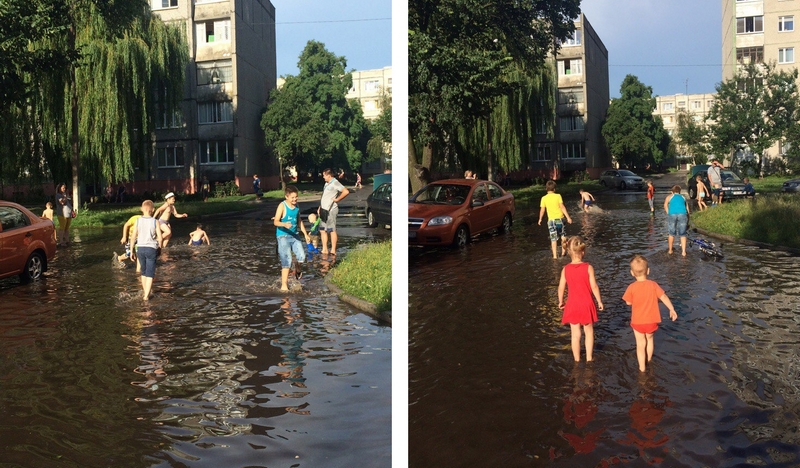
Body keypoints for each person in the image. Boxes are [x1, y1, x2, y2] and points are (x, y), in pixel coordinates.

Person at [622, 255, 678, 372]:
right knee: (650, 340)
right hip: (651, 320)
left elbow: (628, 302)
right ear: (648, 270)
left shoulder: (631, 287)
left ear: (632, 273)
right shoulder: (653, 285)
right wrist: (671, 309)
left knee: (640, 344)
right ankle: (649, 361)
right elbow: (663, 296)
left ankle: (642, 368)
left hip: (637, 322)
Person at [557, 236, 604, 362]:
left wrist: (561, 301)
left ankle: (577, 360)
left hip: (572, 304)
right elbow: (594, 286)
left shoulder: (565, 269)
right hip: (586, 304)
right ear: (583, 252)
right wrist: (599, 301)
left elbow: (561, 288)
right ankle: (589, 358)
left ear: (568, 252)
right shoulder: (588, 267)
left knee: (575, 335)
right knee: (588, 332)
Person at [275, 185, 311, 291]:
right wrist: (284, 224)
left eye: (296, 197)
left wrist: (305, 234)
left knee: (301, 256)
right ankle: (284, 285)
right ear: (287, 197)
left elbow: (299, 220)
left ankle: (297, 267)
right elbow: (275, 221)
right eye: (292, 197)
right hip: (283, 236)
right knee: (287, 260)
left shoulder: (296, 207)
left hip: (295, 235)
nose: (295, 199)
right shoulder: (282, 206)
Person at [130, 200, 163, 301]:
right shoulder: (155, 221)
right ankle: (146, 296)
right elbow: (160, 238)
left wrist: (131, 251)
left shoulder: (138, 221)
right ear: (152, 210)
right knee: (150, 273)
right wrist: (160, 248)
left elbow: (133, 237)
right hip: (151, 248)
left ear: (141, 209)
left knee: (143, 272)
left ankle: (146, 292)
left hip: (140, 248)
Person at [318, 168, 350, 257]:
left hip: (331, 209)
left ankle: (333, 250)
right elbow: (325, 196)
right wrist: (320, 207)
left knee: (331, 230)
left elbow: (346, 191)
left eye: (324, 175)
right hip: (323, 209)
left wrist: (337, 199)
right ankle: (324, 249)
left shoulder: (335, 182)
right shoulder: (326, 183)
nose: (323, 177)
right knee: (322, 230)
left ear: (329, 175)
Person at [538, 180, 573, 259]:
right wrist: (568, 217)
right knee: (563, 235)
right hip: (559, 219)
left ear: (546, 189)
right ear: (554, 189)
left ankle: (554, 256)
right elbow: (562, 207)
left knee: (553, 238)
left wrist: (540, 219)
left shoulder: (544, 198)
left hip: (551, 221)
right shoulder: (558, 196)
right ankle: (563, 253)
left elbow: (542, 210)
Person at [664, 185, 690, 256]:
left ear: (672, 191)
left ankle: (670, 250)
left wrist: (668, 213)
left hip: (672, 214)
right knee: (683, 234)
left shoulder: (669, 196)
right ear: (680, 191)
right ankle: (684, 252)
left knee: (671, 233)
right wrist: (687, 221)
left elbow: (665, 205)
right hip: (683, 214)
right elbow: (688, 210)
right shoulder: (683, 197)